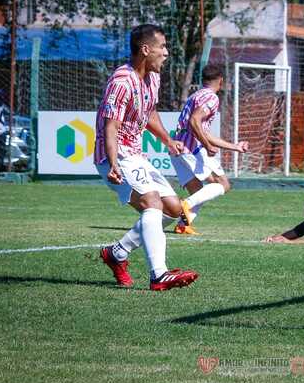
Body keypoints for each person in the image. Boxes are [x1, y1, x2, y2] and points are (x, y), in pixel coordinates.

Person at [95, 24, 199, 291]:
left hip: (136, 154)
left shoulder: (153, 78)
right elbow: (111, 127)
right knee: (151, 202)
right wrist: (114, 163)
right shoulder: (121, 81)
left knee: (175, 209)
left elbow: (149, 112)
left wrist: (167, 140)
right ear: (145, 49)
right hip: (114, 155)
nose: (166, 53)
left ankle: (117, 253)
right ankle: (159, 275)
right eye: (162, 47)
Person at [170, 65, 248, 234]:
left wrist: (235, 147)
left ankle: (183, 225)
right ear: (221, 80)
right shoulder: (212, 97)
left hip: (177, 148)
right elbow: (194, 121)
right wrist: (206, 145)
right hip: (192, 148)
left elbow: (200, 128)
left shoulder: (195, 96)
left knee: (198, 191)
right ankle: (186, 204)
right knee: (223, 184)